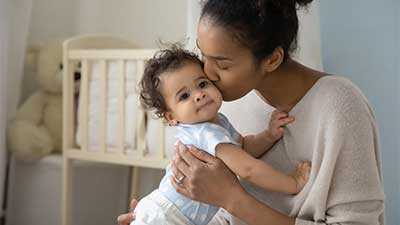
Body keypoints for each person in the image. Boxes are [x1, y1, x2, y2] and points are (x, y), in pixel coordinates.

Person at [118, 0, 385, 225]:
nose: (207, 74)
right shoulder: (223, 101)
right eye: (203, 56)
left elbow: (233, 194)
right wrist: (166, 214)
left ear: (272, 59)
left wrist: (233, 199)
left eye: (221, 63)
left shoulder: (340, 106)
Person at [128, 45, 310, 225]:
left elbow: (244, 147)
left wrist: (269, 135)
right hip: (166, 217)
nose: (198, 95)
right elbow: (248, 169)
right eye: (184, 96)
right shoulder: (206, 133)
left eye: (202, 84)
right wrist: (292, 183)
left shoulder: (218, 121)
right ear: (171, 117)